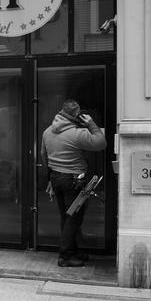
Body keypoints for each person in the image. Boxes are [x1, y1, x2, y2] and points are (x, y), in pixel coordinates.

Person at [41, 100, 106, 267]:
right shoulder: (77, 134)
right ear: (77, 115)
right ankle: (65, 256)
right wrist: (91, 123)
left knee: (67, 216)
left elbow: (44, 155)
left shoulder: (47, 132)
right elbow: (100, 142)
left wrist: (50, 177)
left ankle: (73, 251)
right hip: (75, 181)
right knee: (74, 218)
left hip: (56, 178)